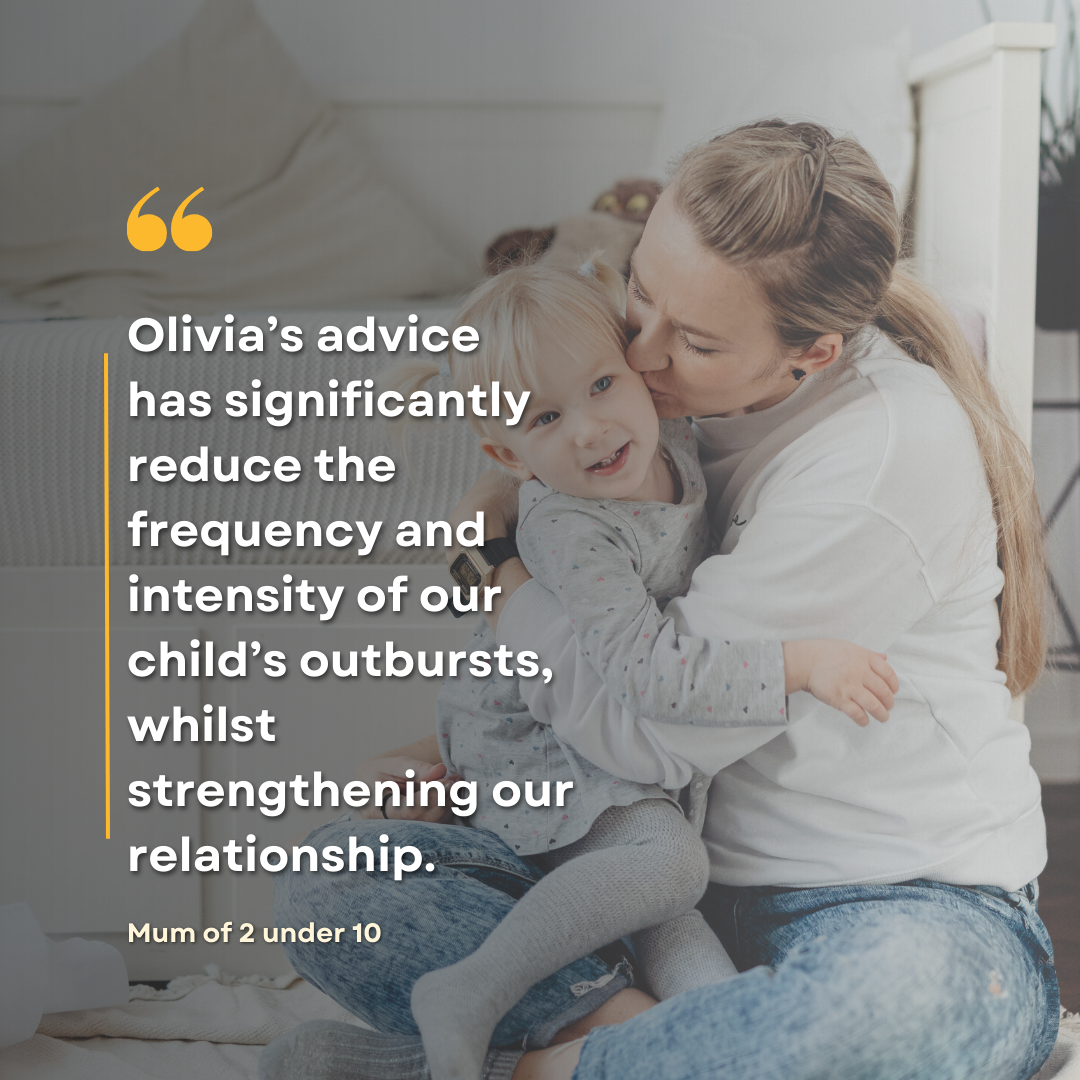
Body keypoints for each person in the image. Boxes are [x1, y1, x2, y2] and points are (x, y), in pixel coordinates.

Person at [264, 121, 1059, 1080]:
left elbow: (642, 728)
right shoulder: (660, 414)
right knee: (333, 879)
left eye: (695, 341)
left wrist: (496, 572)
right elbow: (601, 649)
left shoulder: (877, 459)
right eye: (642, 289)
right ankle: (679, 1040)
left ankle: (554, 1060)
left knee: (900, 1011)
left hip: (886, 899)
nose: (638, 356)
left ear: (809, 354)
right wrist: (451, 761)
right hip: (658, 884)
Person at [388, 256, 897, 1080]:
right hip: (544, 753)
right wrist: (798, 665)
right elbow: (649, 678)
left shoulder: (669, 435)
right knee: (670, 866)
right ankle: (469, 992)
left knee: (704, 976)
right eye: (546, 418)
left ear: (638, 374)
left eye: (599, 387)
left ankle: (348, 1063)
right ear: (508, 454)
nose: (590, 430)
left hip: (614, 762)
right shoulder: (575, 532)